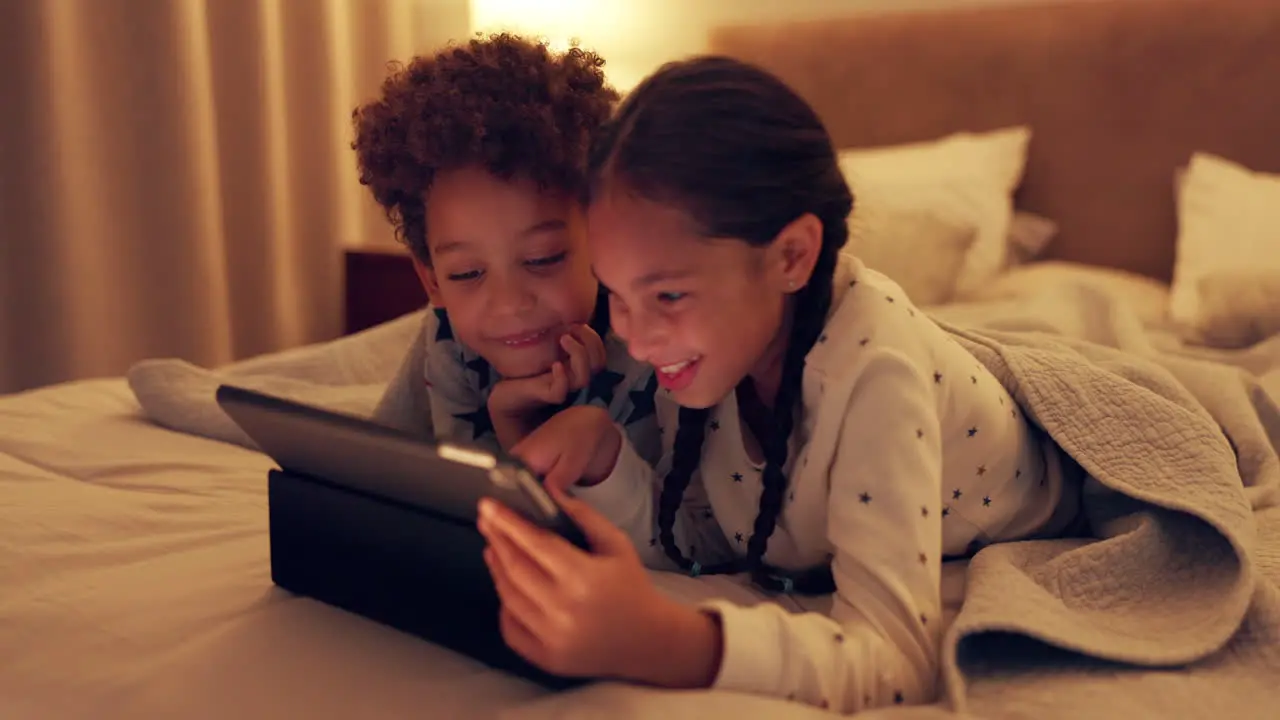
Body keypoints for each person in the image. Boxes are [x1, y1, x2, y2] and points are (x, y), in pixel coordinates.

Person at [474, 56, 1081, 712]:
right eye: (616, 294)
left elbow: (898, 662)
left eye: (669, 294)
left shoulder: (875, 374)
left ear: (792, 256)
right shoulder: (709, 352)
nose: (639, 340)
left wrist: (667, 641)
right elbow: (709, 541)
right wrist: (603, 457)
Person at [350, 33, 659, 460]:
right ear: (433, 281)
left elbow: (616, 524)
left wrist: (516, 428)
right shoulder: (446, 336)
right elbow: (372, 467)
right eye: (466, 274)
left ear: (603, 240)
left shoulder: (651, 347)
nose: (509, 304)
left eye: (542, 259)